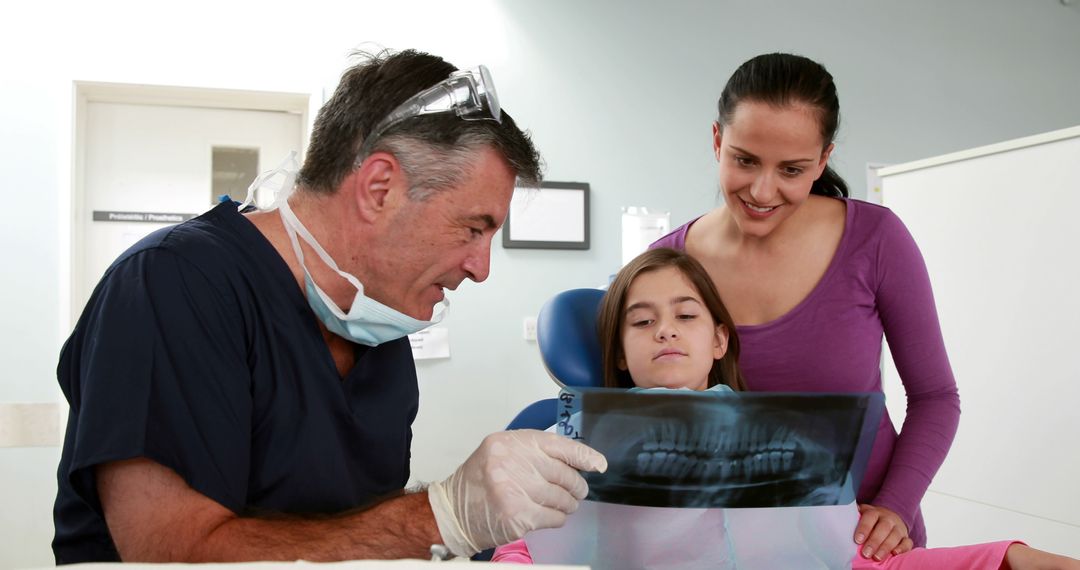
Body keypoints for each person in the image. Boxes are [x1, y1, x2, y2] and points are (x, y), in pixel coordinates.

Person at [52, 49, 607, 564]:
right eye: (471, 228)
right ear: (380, 187)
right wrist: (437, 518)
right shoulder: (174, 285)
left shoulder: (379, 334)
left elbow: (344, 535)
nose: (480, 268)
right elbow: (170, 554)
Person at [492, 248, 1078, 569]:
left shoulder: (785, 445)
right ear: (618, 353)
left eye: (686, 315)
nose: (664, 331)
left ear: (719, 340)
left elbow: (850, 564)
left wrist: (1008, 559)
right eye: (642, 321)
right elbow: (522, 551)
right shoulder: (572, 439)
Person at [650, 52, 960, 560]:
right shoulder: (667, 263)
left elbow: (937, 397)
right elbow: (646, 412)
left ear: (822, 160)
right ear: (716, 141)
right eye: (744, 159)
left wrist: (897, 507)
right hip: (730, 549)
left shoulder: (877, 240)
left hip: (869, 543)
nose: (762, 190)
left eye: (791, 169)